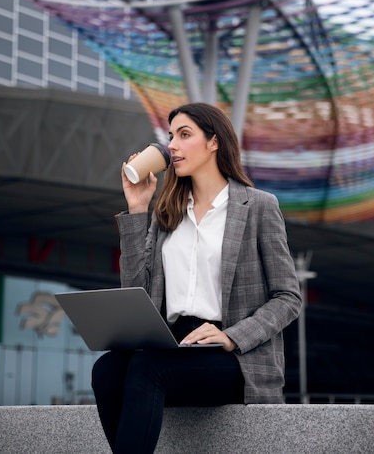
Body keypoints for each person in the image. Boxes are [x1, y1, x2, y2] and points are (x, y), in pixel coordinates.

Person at [92, 102, 302, 454]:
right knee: (107, 369)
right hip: (171, 346)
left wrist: (231, 337)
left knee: (147, 368)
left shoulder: (259, 207)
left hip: (233, 355)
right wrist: (137, 209)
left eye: (184, 135)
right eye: (170, 136)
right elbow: (136, 292)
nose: (171, 145)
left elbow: (288, 297)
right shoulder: (166, 213)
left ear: (214, 142)